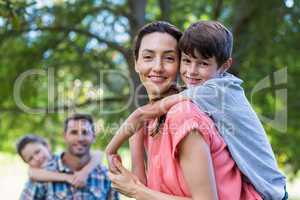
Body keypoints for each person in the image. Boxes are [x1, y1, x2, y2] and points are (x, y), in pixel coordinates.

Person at [129, 20, 287, 200]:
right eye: (148, 56)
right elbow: (141, 190)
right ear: (135, 62)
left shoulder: (192, 106)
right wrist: (136, 134)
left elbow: (138, 191)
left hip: (267, 189)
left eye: (169, 58)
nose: (157, 67)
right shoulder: (157, 118)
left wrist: (132, 125)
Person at [20, 114, 119, 200]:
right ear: (64, 136)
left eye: (85, 132)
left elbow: (99, 154)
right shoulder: (44, 173)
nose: (80, 138)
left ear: (93, 137)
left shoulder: (105, 176)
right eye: (74, 132)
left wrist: (85, 172)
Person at [16, 134, 102, 188]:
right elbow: (31, 172)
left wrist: (84, 172)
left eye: (38, 152)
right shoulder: (35, 176)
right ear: (26, 163)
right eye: (30, 159)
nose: (37, 158)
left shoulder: (62, 158)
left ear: (47, 146)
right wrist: (67, 177)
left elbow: (98, 154)